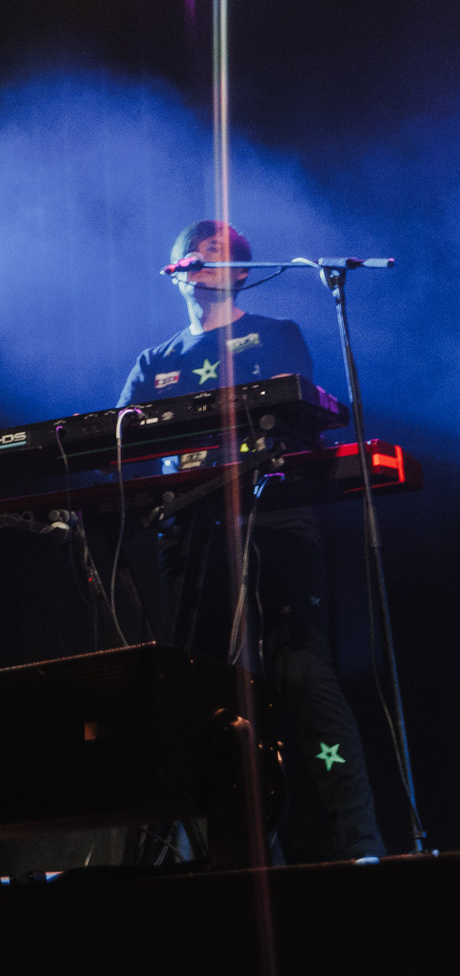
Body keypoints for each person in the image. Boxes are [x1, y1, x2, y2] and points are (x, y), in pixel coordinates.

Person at [118, 220, 385, 862]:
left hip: (276, 522)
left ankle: (360, 848)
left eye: (219, 254)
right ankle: (247, 860)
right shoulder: (154, 363)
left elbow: (296, 419)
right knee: (209, 694)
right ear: (175, 272)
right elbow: (120, 449)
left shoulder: (275, 335)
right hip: (192, 534)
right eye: (194, 254)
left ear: (242, 272)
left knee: (301, 673)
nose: (205, 260)